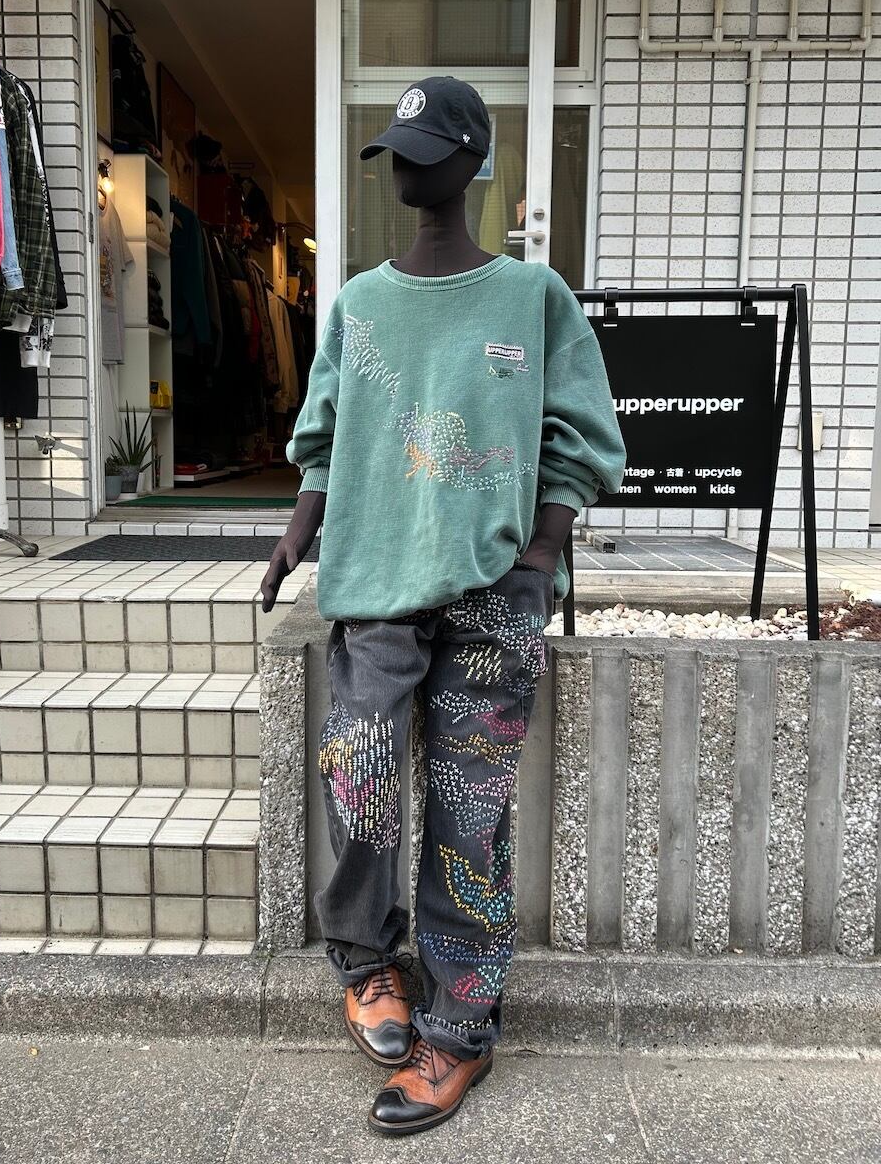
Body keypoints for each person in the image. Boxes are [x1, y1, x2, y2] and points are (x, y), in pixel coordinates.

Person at [261, 76, 626, 1136]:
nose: (409, 171)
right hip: (376, 583)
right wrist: (295, 534)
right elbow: (325, 437)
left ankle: (461, 1028)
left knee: (472, 817)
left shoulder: (533, 297)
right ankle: (367, 961)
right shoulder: (360, 304)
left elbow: (582, 436)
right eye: (398, 152)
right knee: (362, 774)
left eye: (428, 152)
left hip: (494, 593)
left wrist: (541, 553)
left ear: (473, 161)